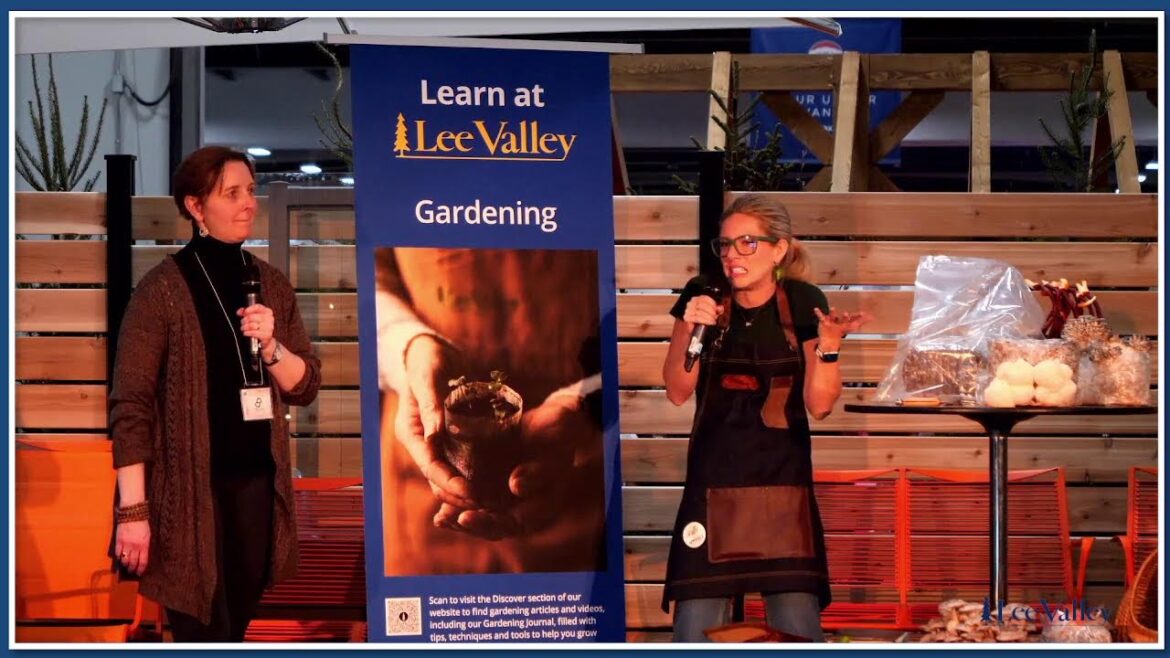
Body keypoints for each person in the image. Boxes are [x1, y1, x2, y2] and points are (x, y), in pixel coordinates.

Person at [108, 146, 322, 642]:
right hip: (188, 501)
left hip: (256, 494)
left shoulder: (271, 284)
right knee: (201, 630)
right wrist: (133, 513)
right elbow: (131, 407)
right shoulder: (160, 291)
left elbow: (305, 386)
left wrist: (272, 346)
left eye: (251, 190)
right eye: (232, 193)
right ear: (195, 207)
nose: (249, 202)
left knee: (235, 627)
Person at [660, 194, 871, 642]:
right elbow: (678, 390)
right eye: (726, 245)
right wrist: (690, 327)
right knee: (695, 628)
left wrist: (830, 347)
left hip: (783, 490)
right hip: (712, 485)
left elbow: (820, 404)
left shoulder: (801, 300)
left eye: (747, 243)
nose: (734, 255)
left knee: (796, 627)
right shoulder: (703, 294)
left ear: (780, 249)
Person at [375, 247, 608, 575]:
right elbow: (373, 280)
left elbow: (628, 314)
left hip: (571, 471)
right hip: (424, 486)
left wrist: (583, 405)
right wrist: (412, 345)